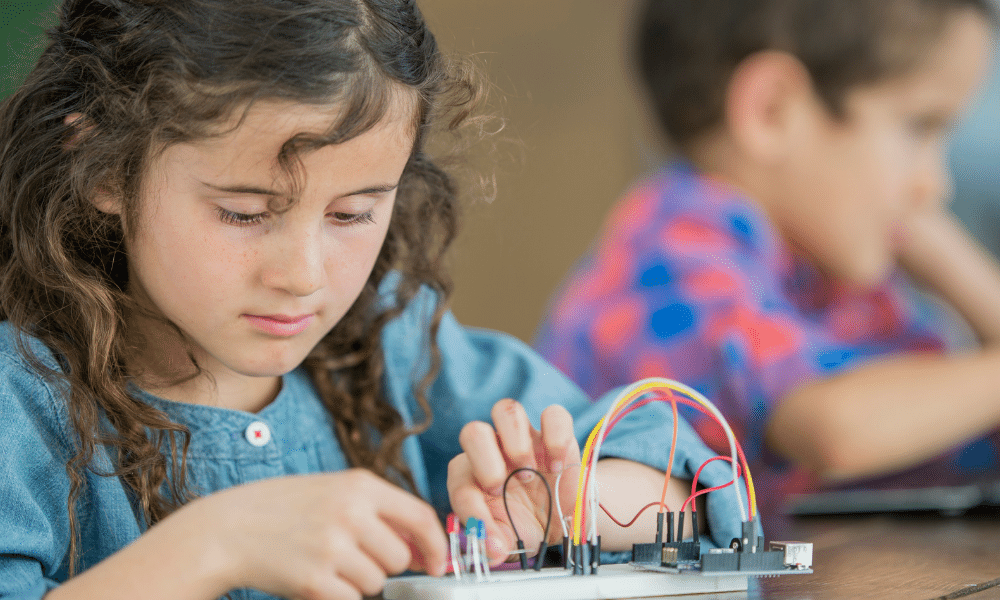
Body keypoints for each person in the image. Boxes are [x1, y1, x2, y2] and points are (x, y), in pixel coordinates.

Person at [0, 2, 747, 599]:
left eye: (353, 213)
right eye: (244, 212)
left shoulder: (388, 341)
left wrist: (568, 505)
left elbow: (688, 481)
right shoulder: (23, 401)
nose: (304, 275)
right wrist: (216, 543)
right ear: (103, 168)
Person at [536, 0, 1000, 513]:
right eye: (918, 128)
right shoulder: (673, 251)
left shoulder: (822, 272)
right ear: (772, 110)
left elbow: (961, 428)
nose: (934, 184)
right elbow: (834, 431)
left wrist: (944, 256)